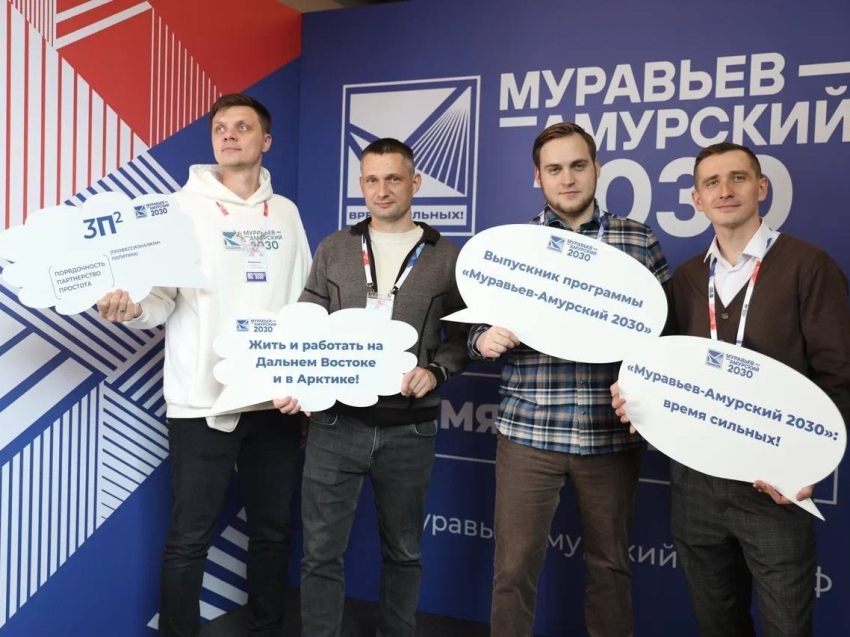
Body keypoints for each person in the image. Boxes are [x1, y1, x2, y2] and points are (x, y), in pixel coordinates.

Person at [612, 142, 850, 637]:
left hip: (772, 485)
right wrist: (632, 395)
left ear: (761, 188)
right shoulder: (687, 278)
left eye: (737, 178)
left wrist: (809, 462)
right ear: (697, 200)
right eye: (711, 183)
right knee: (717, 624)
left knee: (787, 627)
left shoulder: (808, 266)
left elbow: (839, 375)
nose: (725, 190)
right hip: (696, 486)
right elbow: (661, 366)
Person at [97, 93, 312, 637]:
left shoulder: (287, 213)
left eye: (243, 126)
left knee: (273, 532)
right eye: (220, 128)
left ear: (266, 140)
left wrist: (305, 383)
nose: (229, 135)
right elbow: (159, 298)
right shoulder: (179, 210)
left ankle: (267, 628)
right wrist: (132, 308)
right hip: (200, 402)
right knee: (189, 538)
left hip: (274, 402)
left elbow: (304, 302)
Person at [468, 122, 670, 637]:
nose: (568, 179)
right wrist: (481, 339)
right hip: (529, 431)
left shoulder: (637, 240)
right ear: (538, 177)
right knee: (513, 571)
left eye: (578, 166)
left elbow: (667, 338)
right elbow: (472, 328)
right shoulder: (515, 246)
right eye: (554, 169)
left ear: (596, 169)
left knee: (610, 568)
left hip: (609, 435)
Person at [274, 138, 470, 637]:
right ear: (361, 185)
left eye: (394, 179)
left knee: (403, 552)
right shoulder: (335, 248)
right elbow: (306, 325)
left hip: (410, 429)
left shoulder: (447, 256)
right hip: (335, 426)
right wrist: (296, 380)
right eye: (372, 180)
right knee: (321, 553)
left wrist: (437, 371)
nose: (382, 190)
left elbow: (464, 337)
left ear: (415, 183)